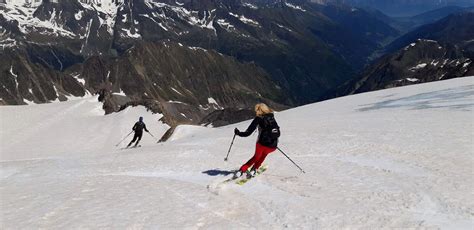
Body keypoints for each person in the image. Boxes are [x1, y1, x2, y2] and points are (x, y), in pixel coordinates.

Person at [234, 103, 280, 178]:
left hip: (262, 144)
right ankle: (254, 169)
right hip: (273, 145)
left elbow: (247, 133)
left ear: (258, 110)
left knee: (256, 157)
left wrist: (238, 133)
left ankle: (241, 170)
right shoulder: (272, 117)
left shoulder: (258, 118)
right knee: (263, 155)